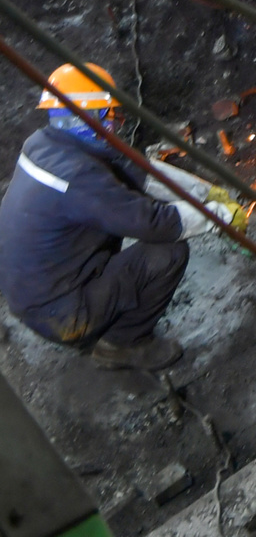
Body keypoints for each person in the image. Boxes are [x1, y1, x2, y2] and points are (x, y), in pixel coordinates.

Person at [0, 64, 188, 370]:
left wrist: (198, 190)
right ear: (87, 117)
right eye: (108, 114)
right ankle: (123, 344)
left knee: (115, 209)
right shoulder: (77, 176)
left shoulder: (43, 144)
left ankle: (103, 307)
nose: (114, 121)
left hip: (30, 293)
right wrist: (214, 216)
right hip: (61, 315)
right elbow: (155, 223)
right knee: (169, 251)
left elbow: (124, 168)